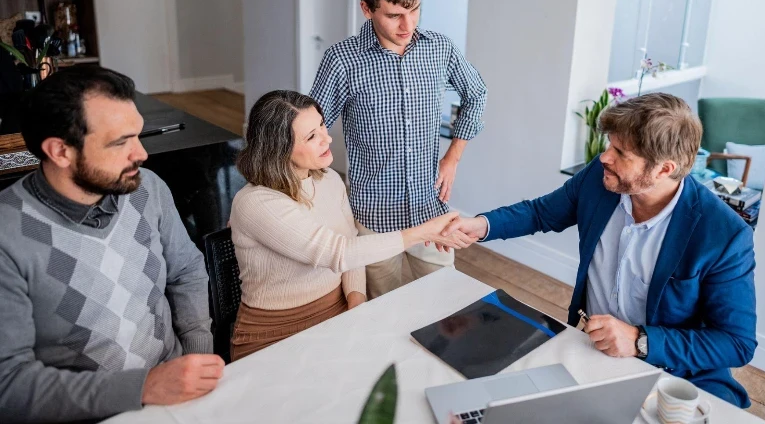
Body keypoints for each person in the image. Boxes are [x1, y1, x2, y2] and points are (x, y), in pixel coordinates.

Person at [444, 93, 757, 407]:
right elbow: (541, 212)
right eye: (609, 144)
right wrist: (480, 225)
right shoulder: (601, 177)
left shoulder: (724, 235)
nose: (605, 157)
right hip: (590, 349)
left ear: (663, 170)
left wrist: (640, 341)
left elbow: (736, 342)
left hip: (674, 376)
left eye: (620, 152)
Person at [0, 66, 223, 423]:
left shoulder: (146, 188)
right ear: (60, 151)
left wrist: (195, 350)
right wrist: (144, 387)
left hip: (176, 398)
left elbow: (187, 271)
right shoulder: (7, 235)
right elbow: (9, 385)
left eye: (138, 135)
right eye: (121, 142)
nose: (142, 154)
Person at [228, 91, 475, 361]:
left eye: (322, 125)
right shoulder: (256, 203)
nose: (327, 138)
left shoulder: (330, 180)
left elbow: (352, 246)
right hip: (276, 333)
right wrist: (421, 232)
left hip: (336, 312)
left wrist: (357, 302)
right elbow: (338, 252)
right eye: (312, 136)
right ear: (278, 148)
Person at [310, 0, 488, 298]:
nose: (408, 25)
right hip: (374, 219)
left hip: (429, 211)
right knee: (383, 314)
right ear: (367, 8)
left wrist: (452, 158)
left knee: (444, 305)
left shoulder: (440, 49)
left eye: (415, 9)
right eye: (394, 15)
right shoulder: (342, 61)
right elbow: (311, 134)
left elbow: (477, 94)